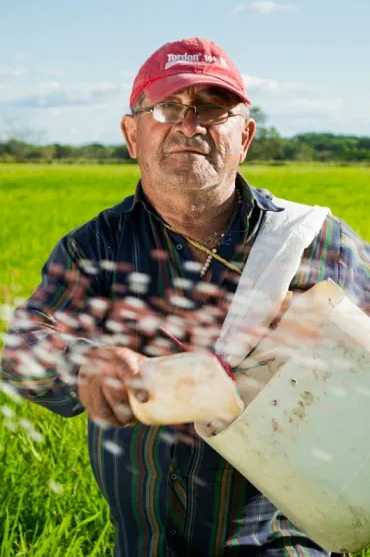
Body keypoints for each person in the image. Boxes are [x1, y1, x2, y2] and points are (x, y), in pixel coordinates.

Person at [1, 36, 369, 557]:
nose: (189, 124)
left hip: (283, 540)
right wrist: (83, 365)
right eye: (167, 106)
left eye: (212, 109)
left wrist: (321, 338)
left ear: (244, 136)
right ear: (132, 134)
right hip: (145, 544)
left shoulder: (313, 240)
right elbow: (22, 348)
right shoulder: (96, 247)